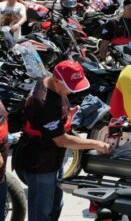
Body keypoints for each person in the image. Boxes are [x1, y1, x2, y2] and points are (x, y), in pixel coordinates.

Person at [14, 61, 111, 221]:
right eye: (70, 87)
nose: (72, 91)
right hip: (40, 164)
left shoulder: (49, 81)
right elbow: (62, 140)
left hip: (54, 160)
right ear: (57, 81)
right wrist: (97, 144)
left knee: (56, 205)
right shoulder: (43, 102)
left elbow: (51, 119)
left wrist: (66, 116)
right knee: (42, 213)